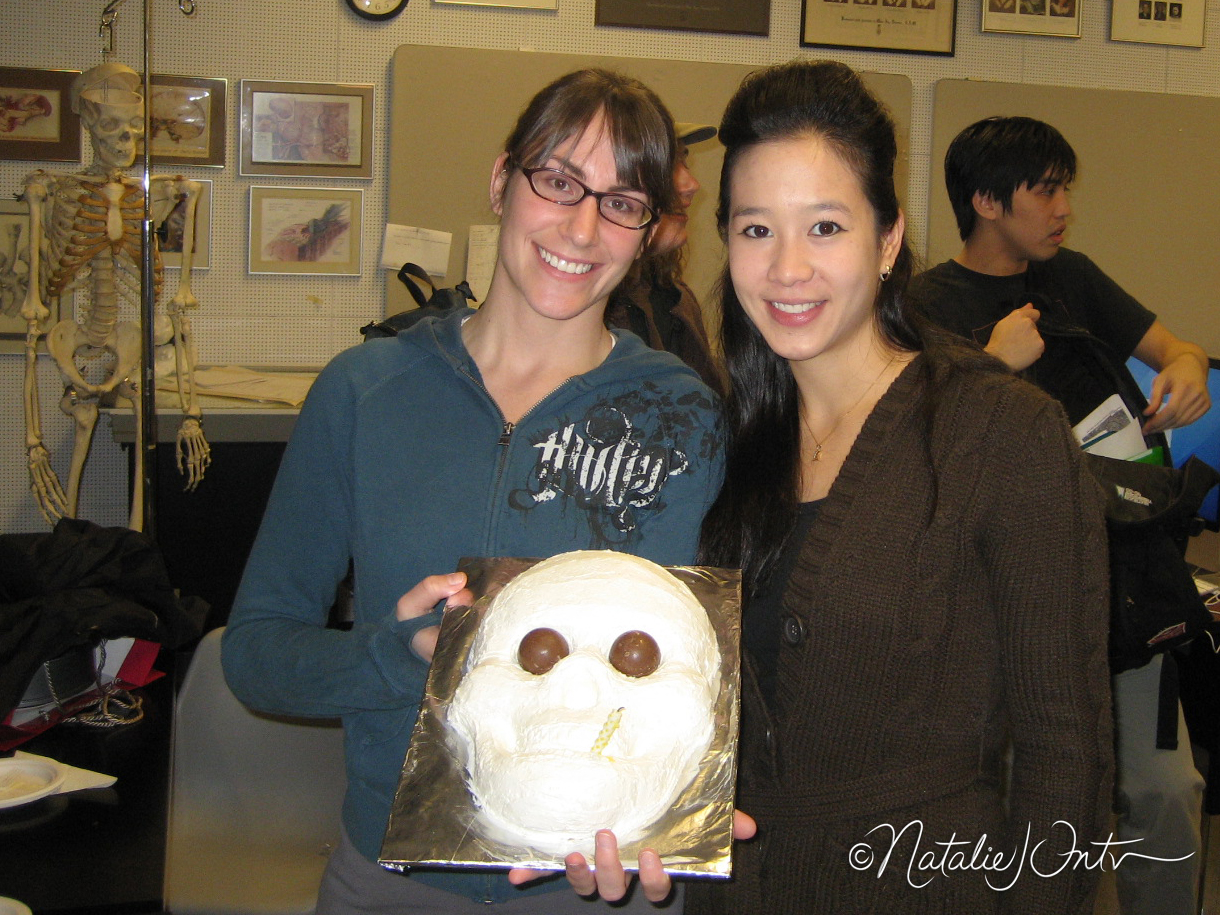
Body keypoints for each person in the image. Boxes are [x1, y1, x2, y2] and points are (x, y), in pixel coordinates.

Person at [551, 59, 1115, 913]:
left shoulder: (998, 433)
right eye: (756, 229)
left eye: (824, 226)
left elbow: (1065, 753)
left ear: (887, 240)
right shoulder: (728, 442)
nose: (787, 268)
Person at [221, 68, 723, 915]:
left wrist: (681, 817)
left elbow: (695, 676)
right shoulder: (364, 392)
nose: (582, 228)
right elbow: (257, 654)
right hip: (393, 879)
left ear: (648, 233)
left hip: (593, 884)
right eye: (558, 181)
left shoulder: (682, 416)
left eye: (622, 203)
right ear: (501, 182)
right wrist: (395, 655)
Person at [909, 115, 1212, 915]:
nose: (1063, 208)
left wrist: (1187, 371)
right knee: (1027, 804)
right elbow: (901, 443)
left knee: (1166, 791)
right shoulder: (925, 302)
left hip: (1122, 576)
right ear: (986, 201)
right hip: (999, 592)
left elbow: (1177, 348)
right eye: (1045, 190)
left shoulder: (1071, 277)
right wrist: (988, 363)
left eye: (1063, 189)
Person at [605, 122, 725, 395]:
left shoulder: (673, 298)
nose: (691, 185)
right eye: (667, 165)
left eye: (684, 161)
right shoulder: (582, 310)